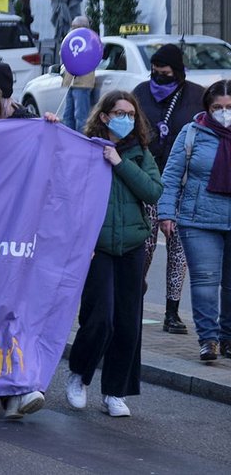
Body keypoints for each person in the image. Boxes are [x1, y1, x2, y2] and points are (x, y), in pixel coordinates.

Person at [66, 91, 161, 418]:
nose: (126, 119)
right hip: (98, 248)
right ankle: (79, 374)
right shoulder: (87, 150)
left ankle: (116, 392)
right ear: (104, 116)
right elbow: (70, 194)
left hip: (132, 246)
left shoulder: (139, 153)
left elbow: (152, 190)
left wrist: (120, 164)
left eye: (131, 114)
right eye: (119, 113)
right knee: (100, 316)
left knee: (127, 321)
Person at [158, 80, 231, 362]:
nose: (224, 113)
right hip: (198, 219)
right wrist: (166, 213)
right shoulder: (192, 133)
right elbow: (172, 175)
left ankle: (228, 338)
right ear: (207, 108)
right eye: (218, 108)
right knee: (205, 281)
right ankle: (209, 340)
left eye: (229, 108)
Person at [132, 43, 203, 335]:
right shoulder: (140, 92)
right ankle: (134, 299)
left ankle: (172, 313)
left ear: (178, 73)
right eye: (155, 73)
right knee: (145, 248)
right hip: (149, 182)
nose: (158, 80)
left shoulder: (196, 96)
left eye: (165, 74)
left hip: (184, 185)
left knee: (178, 251)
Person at [60, 16, 97, 132]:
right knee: (67, 115)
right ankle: (69, 139)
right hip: (70, 80)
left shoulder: (90, 40)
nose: (72, 29)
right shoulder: (71, 39)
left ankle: (81, 140)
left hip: (82, 82)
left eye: (74, 26)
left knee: (81, 116)